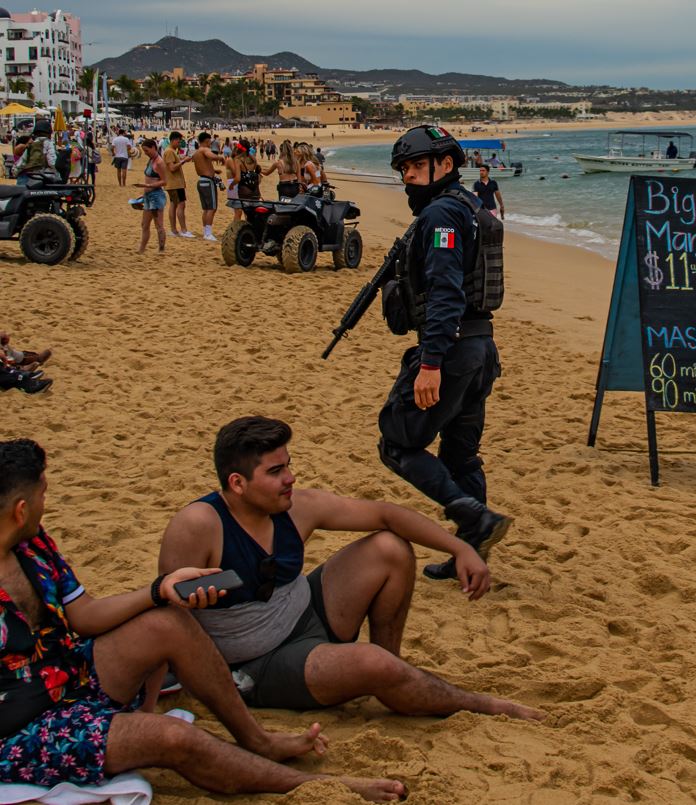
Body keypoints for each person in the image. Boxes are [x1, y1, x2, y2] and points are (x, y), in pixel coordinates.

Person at [0, 439, 406, 802]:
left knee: (167, 621)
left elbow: (83, 616)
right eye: (43, 496)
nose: (45, 504)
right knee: (173, 738)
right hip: (21, 727)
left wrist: (159, 590)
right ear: (21, 510)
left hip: (67, 673)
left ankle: (256, 738)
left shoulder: (33, 544)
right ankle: (310, 786)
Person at [158, 416, 543, 724]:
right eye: (275, 471)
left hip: (307, 615)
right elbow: (167, 620)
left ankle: (392, 670)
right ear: (237, 483)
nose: (290, 478)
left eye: (289, 466)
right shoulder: (198, 525)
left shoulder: (296, 507)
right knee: (371, 664)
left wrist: (460, 547)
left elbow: (385, 514)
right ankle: (480, 704)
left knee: (390, 548)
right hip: (258, 663)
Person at [378, 125, 510, 582]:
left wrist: (431, 363)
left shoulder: (440, 218)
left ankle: (473, 518)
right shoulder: (471, 207)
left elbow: (445, 294)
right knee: (461, 456)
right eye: (404, 170)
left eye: (417, 166)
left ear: (446, 164)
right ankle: (468, 557)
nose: (409, 177)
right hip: (481, 350)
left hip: (453, 353)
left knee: (396, 442)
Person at [133, 138, 167, 254]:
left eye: (147, 150)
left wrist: (147, 185)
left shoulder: (159, 162)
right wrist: (142, 195)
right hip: (148, 195)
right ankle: (141, 249)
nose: (146, 153)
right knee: (144, 224)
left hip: (156, 196)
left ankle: (161, 249)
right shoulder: (151, 160)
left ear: (153, 147)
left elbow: (164, 181)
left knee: (159, 225)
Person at [192, 132, 226, 242]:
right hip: (207, 182)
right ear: (206, 140)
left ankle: (205, 231)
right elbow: (211, 155)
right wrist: (220, 158)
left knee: (206, 209)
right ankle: (208, 233)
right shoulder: (204, 149)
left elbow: (202, 166)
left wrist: (214, 170)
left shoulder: (197, 153)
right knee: (212, 208)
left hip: (201, 181)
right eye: (209, 140)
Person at [163, 131, 194, 238]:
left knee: (174, 205)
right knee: (180, 205)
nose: (179, 143)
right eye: (178, 141)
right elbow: (172, 168)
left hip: (174, 183)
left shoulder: (170, 151)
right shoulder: (169, 151)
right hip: (175, 183)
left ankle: (174, 230)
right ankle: (183, 230)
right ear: (173, 140)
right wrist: (183, 161)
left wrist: (182, 160)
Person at [14, 120, 57, 185]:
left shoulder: (32, 144)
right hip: (44, 177)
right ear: (49, 132)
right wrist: (56, 173)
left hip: (31, 177)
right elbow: (52, 161)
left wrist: (15, 172)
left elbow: (22, 161)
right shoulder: (49, 143)